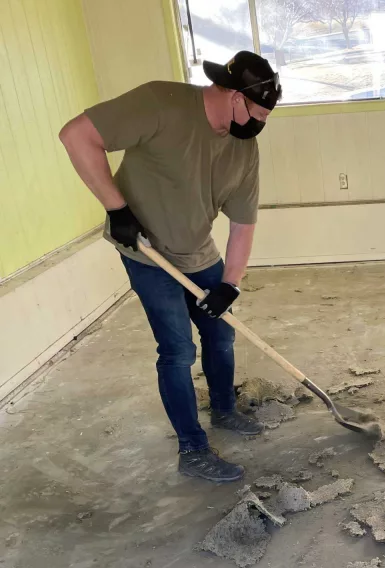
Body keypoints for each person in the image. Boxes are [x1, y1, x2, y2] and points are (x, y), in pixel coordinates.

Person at [59, 51, 282, 483]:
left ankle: (223, 409)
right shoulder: (161, 104)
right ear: (235, 97)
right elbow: (76, 135)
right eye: (259, 112)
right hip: (147, 252)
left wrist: (230, 284)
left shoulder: (244, 147)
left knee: (221, 333)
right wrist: (116, 209)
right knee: (178, 350)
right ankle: (193, 450)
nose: (262, 124)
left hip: (199, 252)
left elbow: (242, 223)